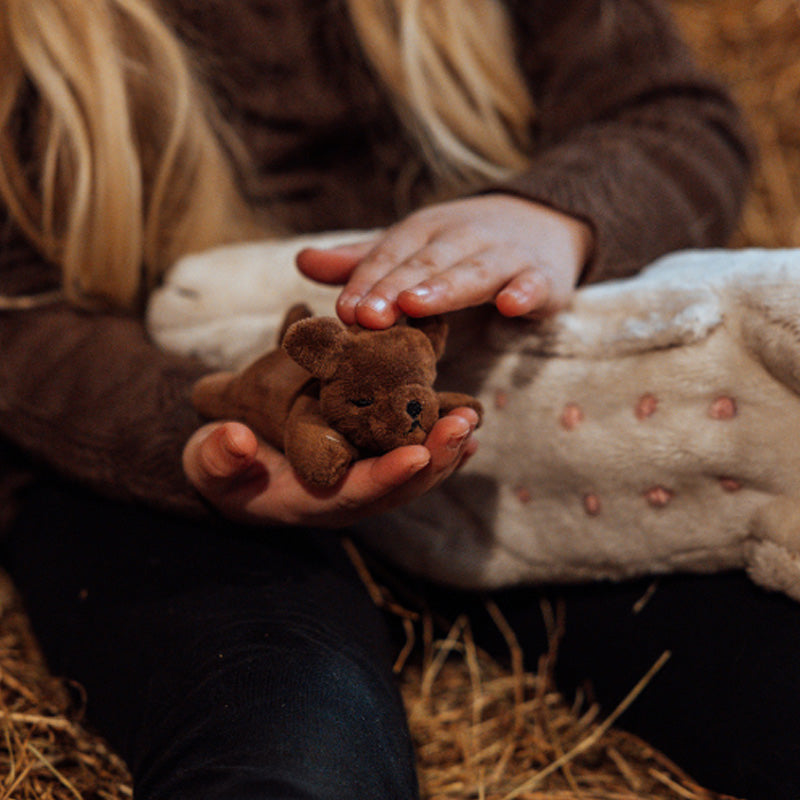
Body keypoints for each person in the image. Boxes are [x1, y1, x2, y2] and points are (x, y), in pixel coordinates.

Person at [0, 0, 764, 798]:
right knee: (293, 744)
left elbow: (676, 116)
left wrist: (555, 215)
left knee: (765, 675)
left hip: (516, 440)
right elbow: (19, 312)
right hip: (145, 448)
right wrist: (183, 434)